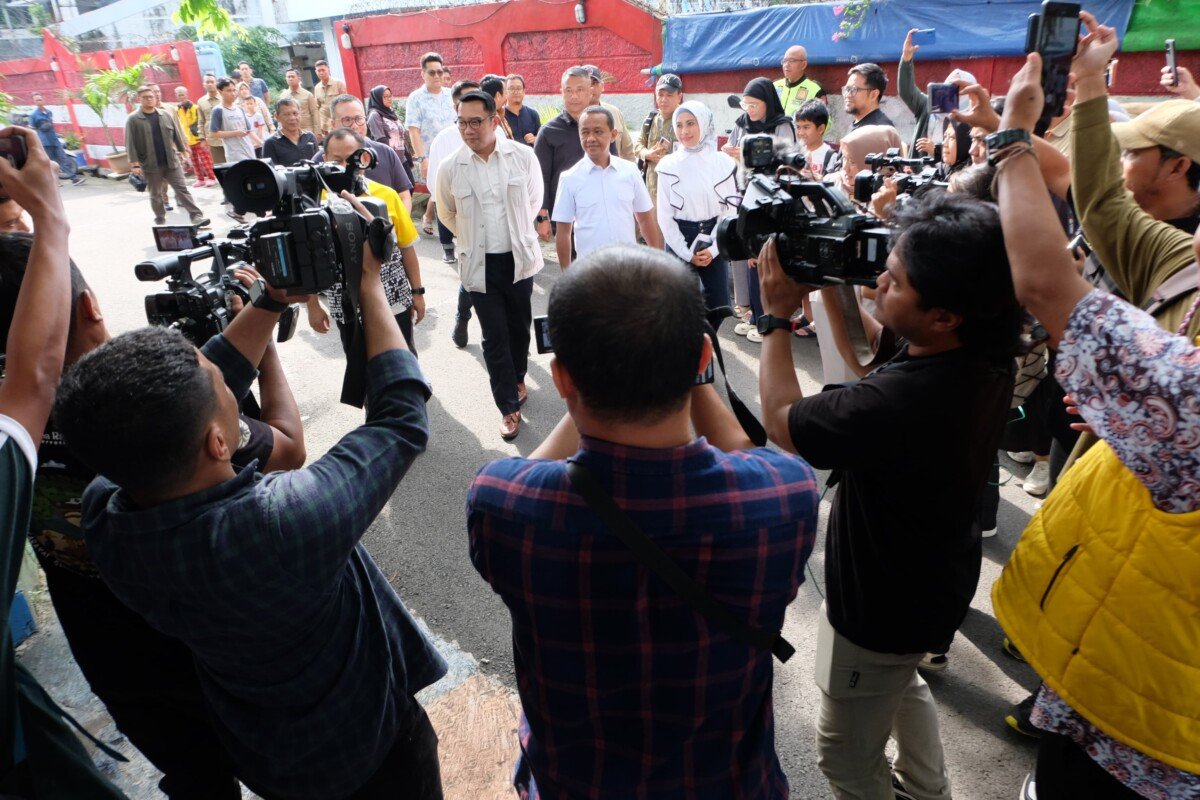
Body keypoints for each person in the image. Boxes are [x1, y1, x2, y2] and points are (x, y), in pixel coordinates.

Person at [54, 188, 446, 800]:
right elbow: (399, 423)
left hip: (266, 754)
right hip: (367, 750)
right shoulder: (283, 526)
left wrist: (269, 300)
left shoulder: (106, 512)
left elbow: (190, 396)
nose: (225, 374)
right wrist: (369, 285)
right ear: (219, 442)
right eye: (221, 384)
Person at [468, 243, 819, 799]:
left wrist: (588, 386)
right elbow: (755, 459)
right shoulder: (785, 498)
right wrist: (691, 376)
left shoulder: (503, 506)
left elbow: (525, 477)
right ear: (702, 358)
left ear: (561, 378)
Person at [990, 22, 1200, 798]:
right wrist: (1088, 83)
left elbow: (1047, 285)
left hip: (1154, 719)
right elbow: (1104, 203)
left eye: (1140, 149)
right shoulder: (1184, 263)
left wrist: (1010, 141)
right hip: (1104, 643)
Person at [10, 246, 303, 799]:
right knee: (281, 770)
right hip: (214, 654)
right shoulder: (152, 421)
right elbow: (287, 450)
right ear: (90, 307)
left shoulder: (13, 433)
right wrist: (267, 352)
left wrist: (264, 307)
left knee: (197, 780)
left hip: (114, 659)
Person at [758, 190, 1020, 800]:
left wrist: (775, 319)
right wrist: (832, 278)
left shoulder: (899, 402)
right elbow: (873, 350)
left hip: (878, 605)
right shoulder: (982, 349)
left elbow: (781, 420)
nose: (878, 280)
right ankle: (926, 789)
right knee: (901, 682)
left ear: (944, 315)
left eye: (895, 280)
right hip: (929, 584)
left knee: (845, 757)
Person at [0, 126, 126, 799]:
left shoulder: (17, 444)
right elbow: (284, 451)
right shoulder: (138, 409)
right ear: (88, 307)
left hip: (99, 644)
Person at [436, 91, 544, 441]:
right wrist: (472, 238)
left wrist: (515, 233)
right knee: (493, 337)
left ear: (494, 121)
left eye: (476, 122)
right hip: (479, 264)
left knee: (518, 329)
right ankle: (507, 406)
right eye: (462, 123)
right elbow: (446, 212)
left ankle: (518, 377)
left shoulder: (522, 157)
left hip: (518, 260)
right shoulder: (451, 167)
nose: (468, 130)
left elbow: (533, 200)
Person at [306, 127, 425, 370]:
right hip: (347, 306)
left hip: (394, 300)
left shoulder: (386, 195)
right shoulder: (314, 203)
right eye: (336, 160)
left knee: (404, 362)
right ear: (324, 159)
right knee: (360, 368)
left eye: (352, 158)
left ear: (365, 157)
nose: (345, 166)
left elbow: (406, 248)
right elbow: (308, 260)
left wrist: (418, 292)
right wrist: (313, 306)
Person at [722, 77, 796, 334]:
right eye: (746, 104)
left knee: (765, 256)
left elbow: (787, 161)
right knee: (748, 254)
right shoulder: (742, 122)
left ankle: (768, 318)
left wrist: (746, 154)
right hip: (745, 194)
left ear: (768, 103)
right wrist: (731, 151)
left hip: (771, 198)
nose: (749, 110)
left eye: (754, 105)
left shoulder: (782, 125)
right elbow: (730, 147)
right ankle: (753, 313)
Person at [552, 106, 661, 267]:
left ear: (613, 135)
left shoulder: (630, 171)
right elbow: (563, 232)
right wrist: (566, 274)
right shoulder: (569, 178)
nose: (591, 138)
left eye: (598, 131)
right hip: (589, 270)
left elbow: (645, 219)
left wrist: (657, 261)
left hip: (628, 267)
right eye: (585, 132)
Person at [657, 102, 739, 312]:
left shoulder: (723, 163)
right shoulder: (668, 165)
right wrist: (687, 254)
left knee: (719, 306)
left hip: (714, 237)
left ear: (703, 123)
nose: (684, 131)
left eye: (690, 123)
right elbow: (664, 216)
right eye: (679, 125)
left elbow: (729, 212)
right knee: (679, 308)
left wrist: (713, 250)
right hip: (679, 241)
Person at [535, 65, 617, 238]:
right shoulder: (548, 131)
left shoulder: (603, 126)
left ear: (590, 92)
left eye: (580, 90)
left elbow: (615, 165)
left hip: (603, 211)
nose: (574, 96)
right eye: (568, 90)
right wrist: (543, 217)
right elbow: (541, 177)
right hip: (566, 217)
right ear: (561, 92)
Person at [125, 85, 209, 228]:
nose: (149, 99)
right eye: (145, 97)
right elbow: (130, 143)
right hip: (150, 163)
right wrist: (135, 164)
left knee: (182, 189)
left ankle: (196, 216)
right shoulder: (133, 119)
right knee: (156, 194)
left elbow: (176, 135)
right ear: (139, 99)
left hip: (171, 161)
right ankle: (160, 220)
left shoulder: (165, 115)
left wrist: (184, 152)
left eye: (151, 97)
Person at [426, 79, 482, 270]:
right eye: (466, 99)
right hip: (460, 211)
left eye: (477, 97)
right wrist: (464, 233)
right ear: (455, 106)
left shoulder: (496, 132)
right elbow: (436, 187)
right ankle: (448, 248)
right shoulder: (444, 139)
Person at [898, 28, 978, 155]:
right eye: (949, 86)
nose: (953, 92)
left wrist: (936, 151)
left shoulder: (973, 121)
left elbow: (966, 156)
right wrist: (907, 57)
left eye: (959, 88)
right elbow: (906, 91)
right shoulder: (930, 106)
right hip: (919, 167)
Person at [326, 95, 414, 207]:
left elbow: (404, 196)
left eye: (359, 118)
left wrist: (399, 218)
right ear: (333, 124)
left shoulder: (385, 152)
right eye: (347, 120)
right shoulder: (324, 160)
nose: (354, 126)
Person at [209, 78, 257, 222]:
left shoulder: (240, 109)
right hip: (234, 152)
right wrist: (235, 133)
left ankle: (244, 210)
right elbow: (214, 133)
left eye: (234, 90)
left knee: (253, 178)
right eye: (229, 90)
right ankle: (239, 210)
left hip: (248, 148)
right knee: (244, 181)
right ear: (220, 91)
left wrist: (260, 142)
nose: (233, 93)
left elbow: (248, 129)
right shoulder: (218, 111)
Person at [406, 51, 455, 186]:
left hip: (455, 155)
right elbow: (413, 132)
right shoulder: (415, 99)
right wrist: (423, 160)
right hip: (433, 159)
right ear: (423, 74)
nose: (437, 76)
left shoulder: (451, 95)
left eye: (439, 72)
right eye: (432, 73)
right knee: (438, 194)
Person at [634, 73, 682, 206]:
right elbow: (637, 145)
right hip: (652, 189)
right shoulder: (651, 119)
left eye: (669, 95)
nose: (664, 99)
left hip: (677, 191)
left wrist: (668, 159)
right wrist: (647, 154)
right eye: (660, 95)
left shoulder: (686, 120)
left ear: (679, 96)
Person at [582, 64, 635, 161]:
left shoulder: (614, 112)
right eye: (586, 84)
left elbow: (628, 152)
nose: (591, 88)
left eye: (594, 83)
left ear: (602, 86)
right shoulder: (572, 118)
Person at [28, 92, 84, 185]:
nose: (39, 101)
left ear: (43, 100)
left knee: (63, 159)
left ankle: (74, 179)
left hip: (54, 140)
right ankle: (55, 181)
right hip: (45, 142)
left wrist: (57, 135)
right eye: (37, 100)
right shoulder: (33, 115)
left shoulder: (49, 112)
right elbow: (31, 129)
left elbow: (51, 126)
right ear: (34, 102)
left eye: (40, 99)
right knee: (51, 162)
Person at [366, 85, 416, 186]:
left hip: (402, 156)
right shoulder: (375, 115)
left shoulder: (390, 113)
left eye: (390, 96)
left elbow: (401, 135)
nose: (389, 99)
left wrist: (408, 154)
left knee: (410, 185)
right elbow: (380, 140)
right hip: (390, 158)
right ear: (377, 98)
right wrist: (389, 160)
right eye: (385, 97)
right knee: (401, 187)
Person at [174, 85, 217, 187]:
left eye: (182, 95)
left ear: (187, 95)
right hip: (187, 139)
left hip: (197, 137)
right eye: (179, 95)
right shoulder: (177, 109)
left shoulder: (195, 107)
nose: (181, 97)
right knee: (194, 161)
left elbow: (200, 122)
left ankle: (212, 177)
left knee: (205, 159)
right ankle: (200, 179)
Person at [261, 98, 320, 166]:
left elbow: (318, 164)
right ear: (277, 116)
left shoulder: (310, 137)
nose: (292, 118)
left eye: (295, 113)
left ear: (300, 114)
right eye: (286, 114)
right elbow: (270, 170)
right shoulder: (270, 143)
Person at [775, 44, 826, 116]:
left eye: (791, 60)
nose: (786, 65)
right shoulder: (774, 86)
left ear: (803, 65)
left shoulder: (815, 90)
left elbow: (823, 120)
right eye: (785, 61)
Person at [843, 63, 895, 130]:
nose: (847, 95)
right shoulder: (859, 124)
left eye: (854, 89)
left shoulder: (880, 129)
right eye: (847, 89)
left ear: (873, 95)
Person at [795, 99, 837, 179]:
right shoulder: (795, 152)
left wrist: (821, 180)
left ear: (821, 129)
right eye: (798, 127)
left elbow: (834, 184)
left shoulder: (831, 157)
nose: (800, 132)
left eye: (806, 127)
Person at [277, 68, 319, 133]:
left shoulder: (308, 95)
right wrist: (281, 130)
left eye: (293, 76)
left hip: (306, 130)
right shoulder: (282, 96)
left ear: (299, 79)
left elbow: (314, 113)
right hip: (289, 132)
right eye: (288, 77)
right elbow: (280, 115)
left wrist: (318, 132)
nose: (290, 79)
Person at [196, 72, 226, 166]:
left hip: (227, 136)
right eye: (207, 82)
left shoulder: (224, 97)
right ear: (203, 84)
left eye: (212, 82)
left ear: (216, 83)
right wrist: (202, 139)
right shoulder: (201, 101)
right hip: (213, 140)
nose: (210, 84)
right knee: (220, 166)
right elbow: (201, 121)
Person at [503, 74, 541, 146]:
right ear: (505, 92)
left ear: (524, 91)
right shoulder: (501, 117)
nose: (516, 92)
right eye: (511, 88)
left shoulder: (533, 114)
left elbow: (542, 140)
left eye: (519, 88)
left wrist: (535, 139)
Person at [313, 59, 347, 137]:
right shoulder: (317, 87)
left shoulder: (339, 83)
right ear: (316, 72)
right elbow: (317, 106)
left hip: (337, 121)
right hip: (324, 124)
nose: (321, 73)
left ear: (328, 69)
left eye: (323, 70)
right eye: (319, 71)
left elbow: (345, 103)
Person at [479, 75, 514, 140]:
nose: (507, 97)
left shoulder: (499, 113)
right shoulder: (490, 120)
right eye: (506, 93)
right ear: (498, 95)